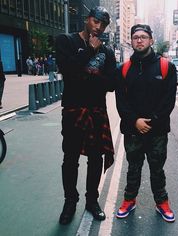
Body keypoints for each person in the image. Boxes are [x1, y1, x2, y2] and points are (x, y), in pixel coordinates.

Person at [55, 6, 116, 225]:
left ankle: (92, 201)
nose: (99, 28)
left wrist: (87, 75)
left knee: (95, 157)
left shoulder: (107, 52)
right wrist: (89, 52)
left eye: (103, 24)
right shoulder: (66, 41)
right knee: (70, 158)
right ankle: (70, 201)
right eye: (96, 22)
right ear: (87, 19)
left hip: (97, 111)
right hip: (73, 110)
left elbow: (111, 85)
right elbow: (68, 72)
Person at [115, 24, 177, 222]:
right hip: (133, 131)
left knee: (157, 169)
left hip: (157, 131)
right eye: (135, 37)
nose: (139, 40)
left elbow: (168, 100)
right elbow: (121, 101)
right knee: (133, 168)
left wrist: (151, 121)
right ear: (131, 41)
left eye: (143, 37)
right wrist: (135, 121)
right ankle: (129, 200)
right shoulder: (124, 69)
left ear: (151, 40)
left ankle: (162, 202)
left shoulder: (166, 66)